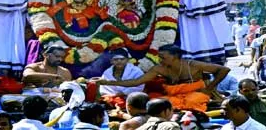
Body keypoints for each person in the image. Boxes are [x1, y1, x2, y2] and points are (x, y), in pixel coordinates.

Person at [95, 44, 230, 112]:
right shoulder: (159, 68)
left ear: (175, 56)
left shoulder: (192, 65)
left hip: (195, 94)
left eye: (163, 57)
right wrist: (107, 82)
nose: (160, 60)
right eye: (159, 57)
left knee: (193, 101)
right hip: (174, 96)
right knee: (157, 103)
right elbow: (136, 82)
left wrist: (210, 88)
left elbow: (224, 70)